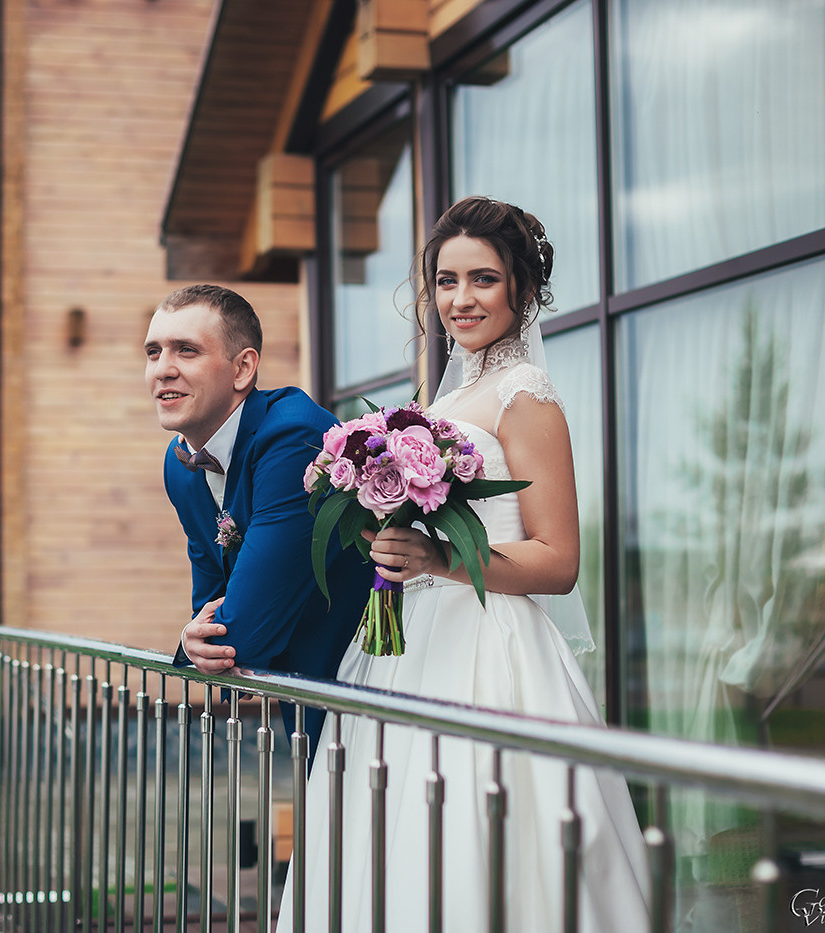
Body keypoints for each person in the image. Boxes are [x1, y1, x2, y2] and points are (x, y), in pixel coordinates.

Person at [277, 198, 650, 931]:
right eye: (447, 280)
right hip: (410, 642)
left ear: (522, 287)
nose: (460, 298)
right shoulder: (448, 395)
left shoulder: (526, 396)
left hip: (491, 649)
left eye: (483, 278)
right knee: (391, 836)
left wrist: (438, 557)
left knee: (486, 841)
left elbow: (559, 558)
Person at [147, 284, 373, 747]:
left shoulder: (292, 436)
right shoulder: (180, 461)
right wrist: (195, 639)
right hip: (304, 699)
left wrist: (203, 641)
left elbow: (244, 634)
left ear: (243, 368)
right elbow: (210, 596)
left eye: (186, 351)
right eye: (153, 352)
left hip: (367, 680)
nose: (163, 369)